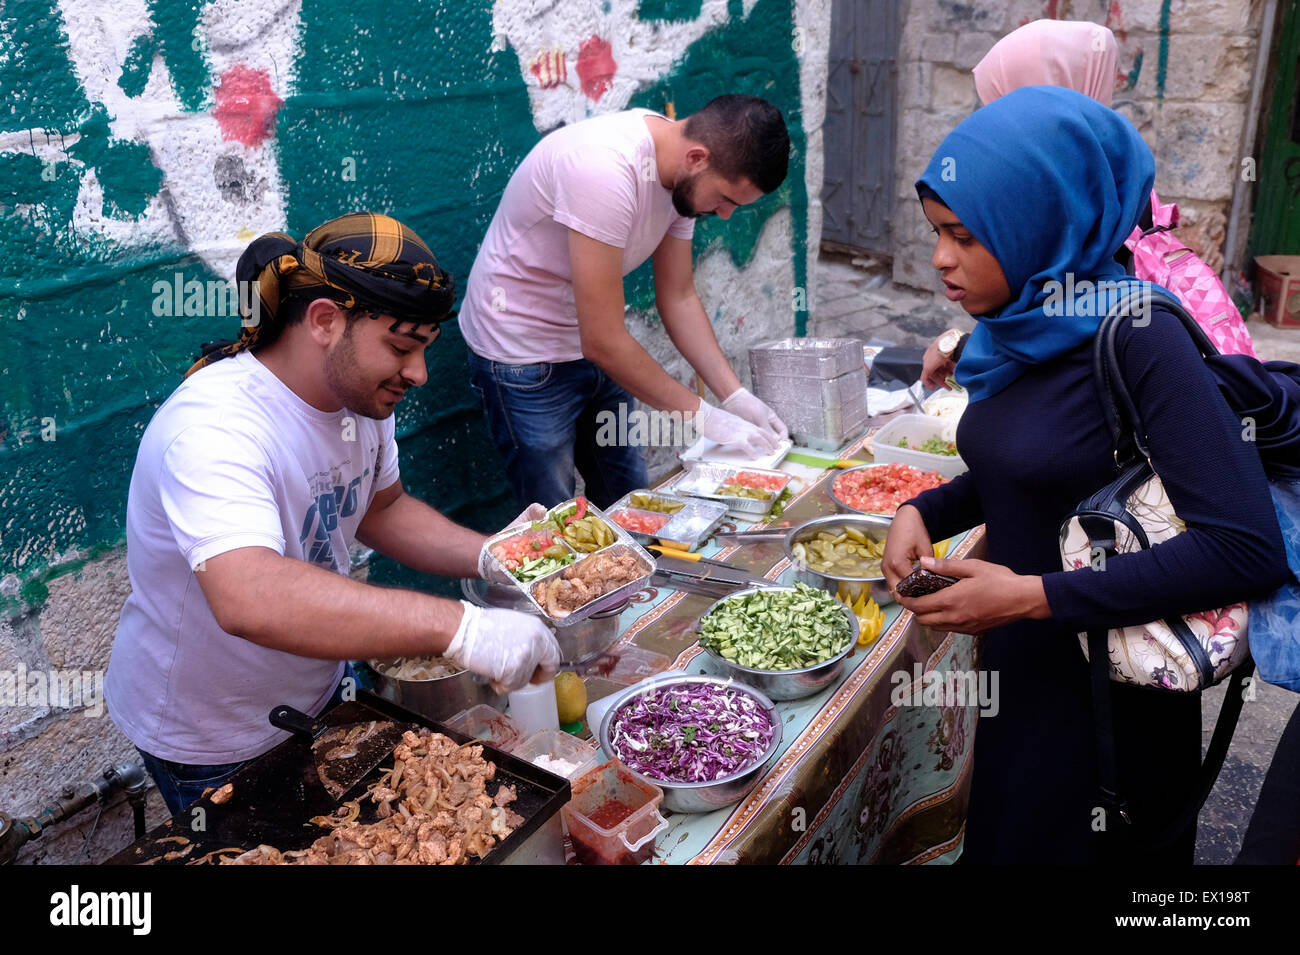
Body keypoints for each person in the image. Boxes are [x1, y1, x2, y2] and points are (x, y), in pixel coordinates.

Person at [881, 87, 1287, 863]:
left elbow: (1244, 546)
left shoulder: (1139, 336)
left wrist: (1035, 596)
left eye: (964, 236)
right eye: (935, 232)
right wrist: (924, 507)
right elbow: (1040, 467)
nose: (939, 259)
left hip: (1110, 697)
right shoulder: (1019, 327)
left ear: (1043, 220)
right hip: (1025, 674)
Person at [105, 213, 561, 814]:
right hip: (214, 734)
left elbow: (383, 509)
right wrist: (461, 627)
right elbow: (249, 597)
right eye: (402, 347)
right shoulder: (214, 426)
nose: (419, 374)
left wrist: (494, 558)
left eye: (425, 349)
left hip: (314, 693)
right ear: (324, 320)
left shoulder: (362, 397)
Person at [458, 94, 791, 510]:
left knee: (630, 500)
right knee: (551, 520)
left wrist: (735, 396)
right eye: (726, 199)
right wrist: (705, 418)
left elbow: (679, 295)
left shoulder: (681, 175)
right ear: (697, 156)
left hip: (596, 342)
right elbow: (602, 341)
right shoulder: (605, 170)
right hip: (522, 356)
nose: (724, 214)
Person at [921, 19, 1255, 391]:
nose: (993, 128)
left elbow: (1062, 351)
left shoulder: (1100, 237)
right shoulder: (1113, 186)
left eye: (1001, 104)